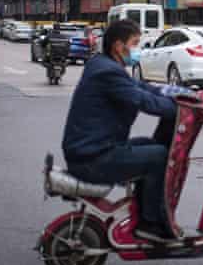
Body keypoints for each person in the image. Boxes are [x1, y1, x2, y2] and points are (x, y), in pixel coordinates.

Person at [62, 19, 188, 241]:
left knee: (152, 146)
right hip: (92, 158)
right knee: (159, 157)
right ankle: (149, 224)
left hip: (93, 149)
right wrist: (181, 110)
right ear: (119, 46)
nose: (138, 49)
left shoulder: (104, 65)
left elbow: (143, 88)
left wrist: (178, 94)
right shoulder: (108, 72)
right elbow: (143, 100)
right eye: (135, 43)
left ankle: (144, 211)